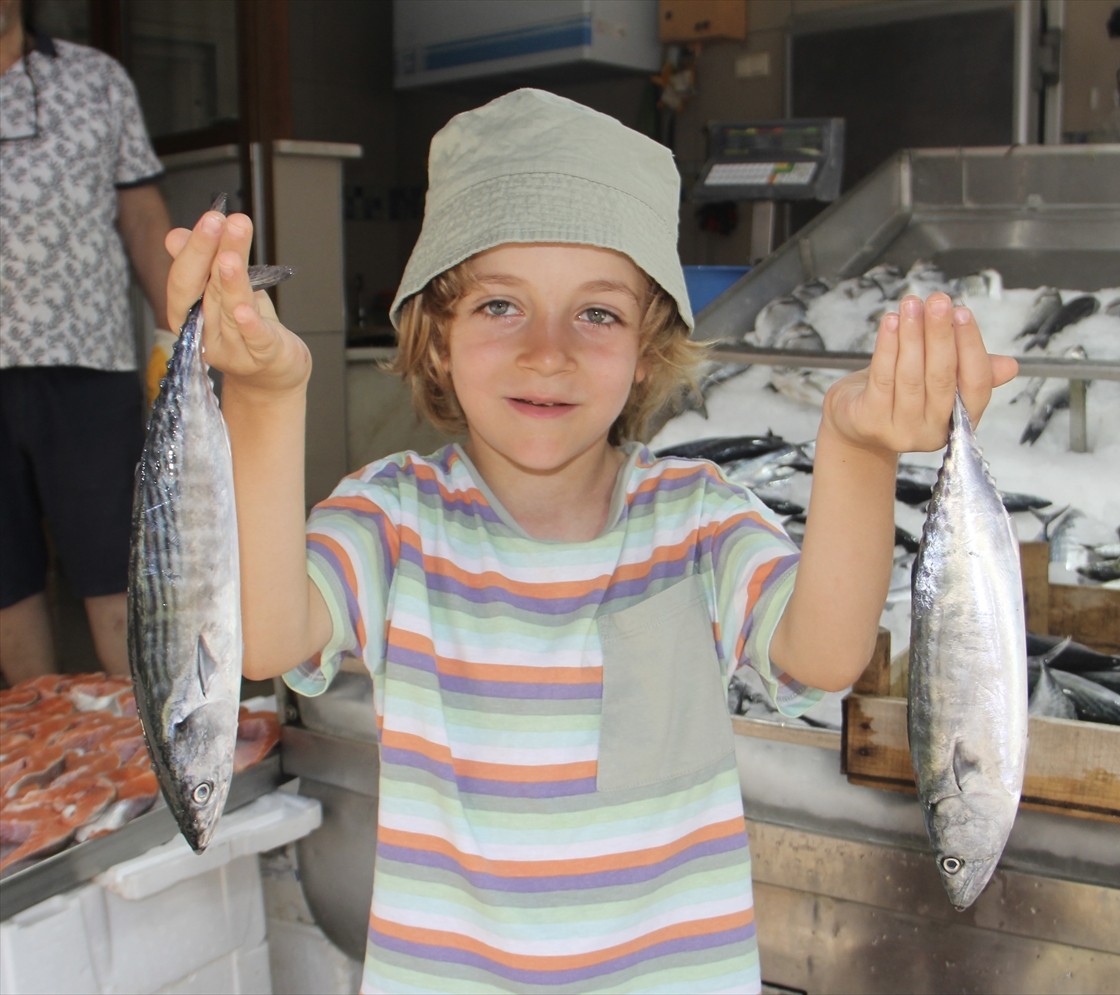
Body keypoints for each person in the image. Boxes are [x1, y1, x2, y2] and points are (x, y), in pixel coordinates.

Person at [164, 89, 1017, 993]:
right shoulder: (393, 518)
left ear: (648, 350)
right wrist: (263, 397)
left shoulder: (695, 516)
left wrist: (857, 446)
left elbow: (826, 652)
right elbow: (263, 637)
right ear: (436, 335)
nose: (548, 350)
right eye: (500, 305)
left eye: (598, 313)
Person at [0, 0, 172, 684]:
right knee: (7, 585)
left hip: (88, 366)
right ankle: (50, 764)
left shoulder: (96, 79)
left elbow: (142, 215)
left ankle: (146, 761)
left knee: (115, 576)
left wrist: (175, 333)